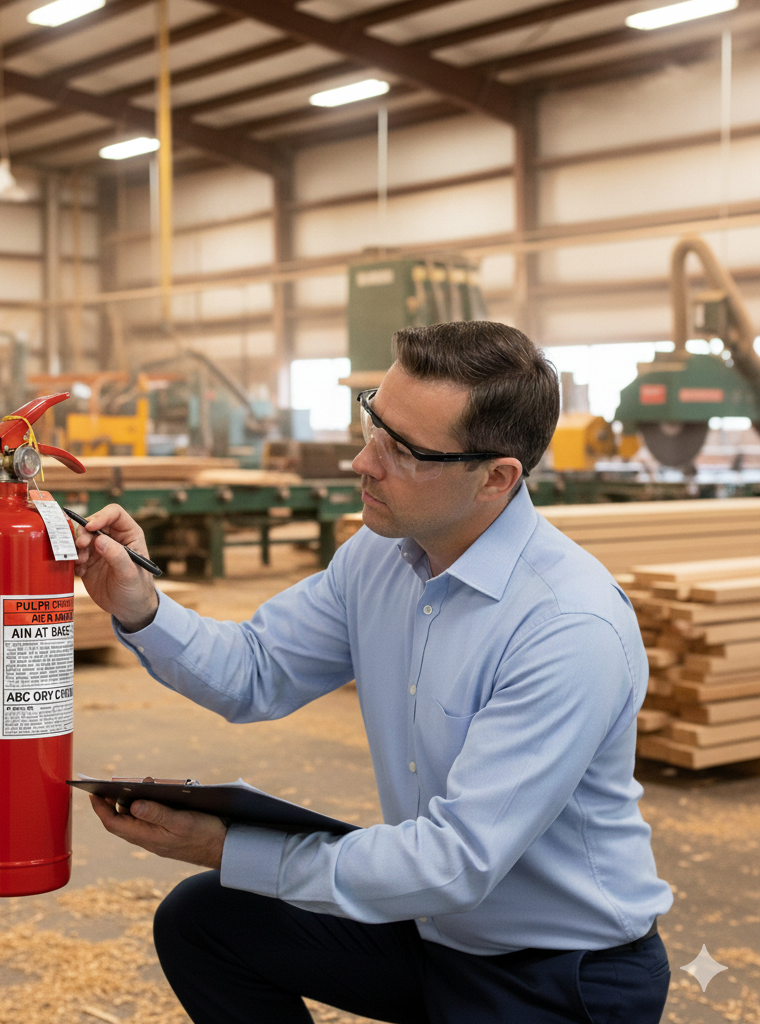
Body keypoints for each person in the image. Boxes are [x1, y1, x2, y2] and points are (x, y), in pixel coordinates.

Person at [73, 321, 673, 1024]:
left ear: (496, 477)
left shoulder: (568, 627)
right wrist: (141, 606)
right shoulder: (379, 559)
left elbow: (453, 862)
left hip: (556, 974)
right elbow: (256, 670)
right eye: (372, 425)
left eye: (403, 450)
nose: (362, 462)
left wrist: (233, 847)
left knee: (244, 879)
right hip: (432, 931)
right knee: (205, 922)